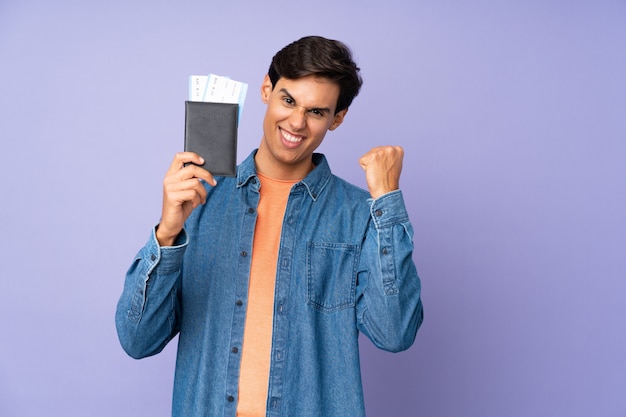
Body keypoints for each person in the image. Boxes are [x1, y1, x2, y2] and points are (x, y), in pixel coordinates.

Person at [116, 35, 423, 417]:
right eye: (289, 100)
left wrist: (387, 203)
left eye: (316, 111)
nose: (296, 122)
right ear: (267, 89)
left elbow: (394, 334)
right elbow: (137, 340)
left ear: (337, 118)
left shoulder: (358, 214)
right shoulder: (201, 197)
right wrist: (167, 233)